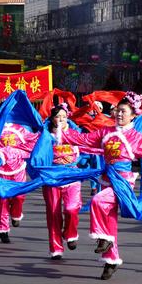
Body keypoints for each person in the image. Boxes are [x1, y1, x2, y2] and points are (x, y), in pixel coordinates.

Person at [61, 91, 142, 280]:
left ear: (133, 115)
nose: (119, 114)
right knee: (109, 217)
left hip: (123, 182)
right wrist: (62, 130)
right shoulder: (106, 132)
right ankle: (111, 259)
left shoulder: (135, 137)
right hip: (107, 178)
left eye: (123, 112)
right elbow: (84, 140)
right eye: (118, 111)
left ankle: (104, 238)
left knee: (98, 201)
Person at [43, 104, 83, 259]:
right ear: (52, 119)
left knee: (72, 209)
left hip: (72, 176)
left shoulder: (75, 134)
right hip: (52, 178)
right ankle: (56, 248)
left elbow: (88, 148)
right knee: (53, 213)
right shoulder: (45, 137)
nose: (61, 119)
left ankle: (70, 233)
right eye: (57, 116)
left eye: (64, 116)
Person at [0, 123, 38, 243]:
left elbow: (33, 140)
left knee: (19, 196)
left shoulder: (20, 129)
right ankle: (3, 230)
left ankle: (16, 214)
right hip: (1, 169)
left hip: (18, 168)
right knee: (2, 200)